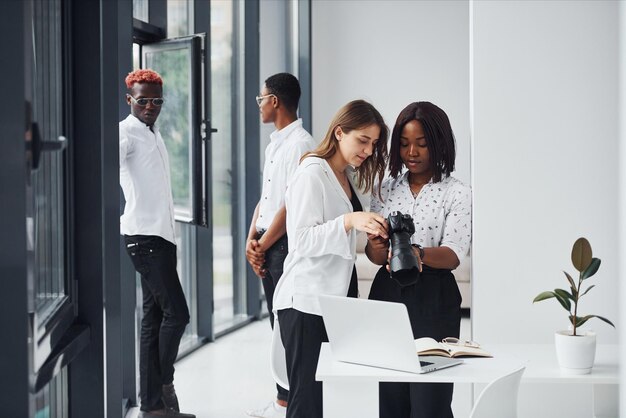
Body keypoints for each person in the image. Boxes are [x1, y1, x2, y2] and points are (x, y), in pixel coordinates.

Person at [272, 99, 389, 418]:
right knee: (305, 402)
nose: (367, 150)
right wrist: (350, 221)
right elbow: (302, 240)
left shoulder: (345, 177)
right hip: (304, 303)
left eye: (374, 143)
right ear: (339, 132)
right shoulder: (311, 172)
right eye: (362, 140)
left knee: (320, 399)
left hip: (328, 300)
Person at [365, 101, 471, 418]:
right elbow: (375, 256)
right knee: (393, 398)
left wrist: (417, 254)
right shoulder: (385, 190)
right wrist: (375, 244)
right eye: (405, 143)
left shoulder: (458, 192)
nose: (412, 152)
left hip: (434, 296)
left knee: (431, 402)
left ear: (439, 145)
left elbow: (453, 253)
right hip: (388, 294)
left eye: (422, 144)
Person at [119, 69, 195, 418]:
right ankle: (165, 384)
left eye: (157, 100)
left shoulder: (153, 133)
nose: (151, 106)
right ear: (129, 99)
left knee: (153, 318)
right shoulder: (126, 134)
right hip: (144, 238)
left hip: (162, 236)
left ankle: (152, 407)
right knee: (177, 314)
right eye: (143, 99)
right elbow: (108, 166)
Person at [245, 73, 316, 418]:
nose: (258, 105)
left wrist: (263, 244)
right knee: (277, 328)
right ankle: (282, 401)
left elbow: (291, 206)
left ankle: (287, 403)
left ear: (274, 101)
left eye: (261, 99)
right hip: (267, 241)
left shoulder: (301, 144)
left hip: (282, 245)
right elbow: (267, 198)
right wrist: (251, 238)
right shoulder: (275, 143)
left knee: (287, 329)